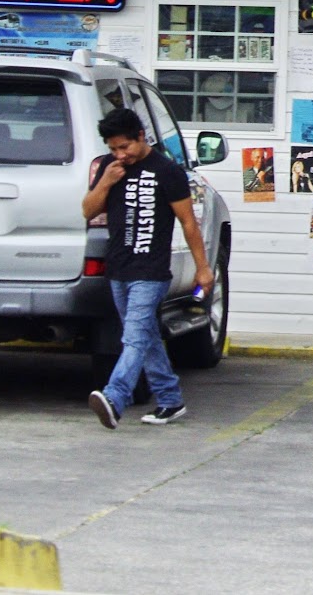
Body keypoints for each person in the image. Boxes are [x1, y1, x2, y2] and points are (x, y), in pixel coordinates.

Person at [82, 108, 213, 429]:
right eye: (113, 148)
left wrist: (203, 268)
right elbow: (88, 209)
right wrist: (106, 182)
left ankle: (115, 397)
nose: (119, 154)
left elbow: (188, 223)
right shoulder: (109, 168)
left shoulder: (167, 171)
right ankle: (170, 400)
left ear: (141, 137)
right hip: (118, 268)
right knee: (147, 336)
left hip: (150, 271)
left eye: (124, 147)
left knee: (134, 337)